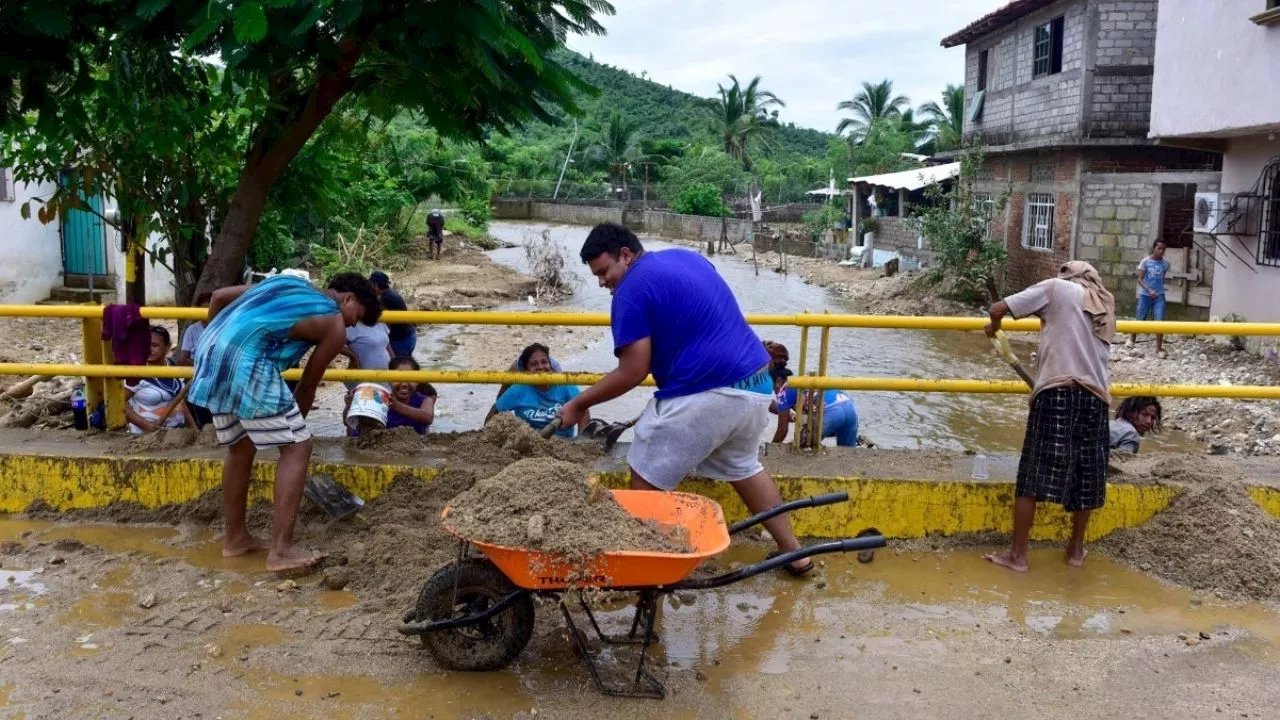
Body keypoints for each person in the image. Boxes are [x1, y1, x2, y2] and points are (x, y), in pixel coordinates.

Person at [555, 223, 812, 575]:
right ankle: (796, 554)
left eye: (604, 271)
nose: (602, 282)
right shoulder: (686, 258)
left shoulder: (630, 290)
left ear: (626, 256)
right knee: (743, 466)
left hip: (712, 392)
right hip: (755, 384)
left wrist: (578, 404)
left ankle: (649, 569)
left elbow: (632, 371)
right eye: (597, 275)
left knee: (645, 471)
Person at [187, 272, 381, 573]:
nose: (353, 325)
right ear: (348, 299)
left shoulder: (290, 284)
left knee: (240, 448)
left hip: (211, 348)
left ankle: (236, 539)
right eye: (357, 317)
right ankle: (281, 551)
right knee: (298, 447)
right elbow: (307, 385)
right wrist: (293, 438)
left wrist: (222, 340)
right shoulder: (334, 323)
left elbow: (219, 297)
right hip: (247, 361)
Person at [983, 260, 1115, 573]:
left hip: (1057, 390)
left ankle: (1018, 556)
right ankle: (1075, 550)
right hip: (1096, 398)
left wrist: (994, 329)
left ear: (1067, 275)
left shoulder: (1055, 289)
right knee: (1087, 478)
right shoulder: (1106, 304)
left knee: (1032, 474)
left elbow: (997, 308)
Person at [487, 342, 589, 438]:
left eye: (544, 362)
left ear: (551, 365)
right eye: (534, 364)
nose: (540, 367)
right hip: (531, 444)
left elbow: (584, 412)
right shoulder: (519, 389)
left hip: (565, 443)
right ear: (526, 370)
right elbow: (494, 411)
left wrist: (581, 440)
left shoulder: (563, 384)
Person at [124, 325, 196, 434]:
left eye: (154, 345)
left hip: (178, 434)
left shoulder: (172, 367)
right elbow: (120, 403)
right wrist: (146, 425)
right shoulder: (136, 371)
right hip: (146, 437)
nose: (149, 349)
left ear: (168, 347)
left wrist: (193, 428)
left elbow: (180, 402)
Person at [768, 365, 859, 447]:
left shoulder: (784, 390)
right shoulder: (803, 382)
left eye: (773, 388)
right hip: (850, 408)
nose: (774, 392)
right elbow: (785, 412)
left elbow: (782, 430)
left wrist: (771, 447)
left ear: (778, 381)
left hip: (831, 412)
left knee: (802, 444)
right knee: (847, 453)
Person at [1128, 240, 1170, 358]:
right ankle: (1131, 340)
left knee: (1160, 321)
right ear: (1154, 248)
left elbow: (1161, 279)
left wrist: (1157, 291)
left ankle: (1158, 349)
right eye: (1159, 248)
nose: (1161, 251)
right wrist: (1149, 290)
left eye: (1163, 249)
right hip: (1145, 296)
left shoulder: (1165, 264)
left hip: (1159, 296)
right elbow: (1140, 279)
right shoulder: (1145, 262)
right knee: (1140, 318)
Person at [180, 292, 215, 428]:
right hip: (199, 374)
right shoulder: (192, 330)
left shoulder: (223, 327)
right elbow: (184, 358)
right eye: (203, 310)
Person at [369, 271, 415, 358]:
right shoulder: (389, 292)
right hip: (408, 335)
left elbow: (384, 320)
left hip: (401, 339)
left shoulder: (386, 298)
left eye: (370, 284)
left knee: (400, 366)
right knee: (406, 362)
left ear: (375, 284)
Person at [340, 318, 392, 391]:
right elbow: (333, 343)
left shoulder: (380, 322)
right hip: (364, 379)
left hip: (386, 376)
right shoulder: (352, 326)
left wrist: (395, 364)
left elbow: (387, 345)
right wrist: (352, 356)